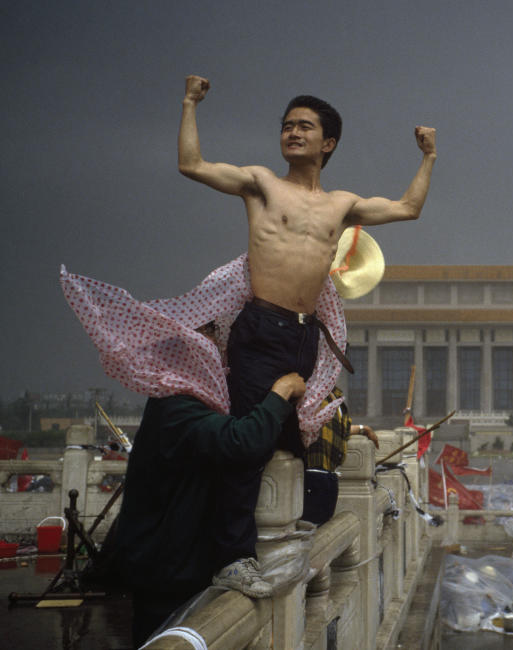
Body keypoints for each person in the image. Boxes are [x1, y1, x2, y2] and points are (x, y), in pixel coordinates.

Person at [178, 75, 436, 575]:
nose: (293, 133)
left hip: (304, 335)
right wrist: (190, 103)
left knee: (295, 438)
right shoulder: (261, 184)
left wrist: (427, 157)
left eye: (305, 127)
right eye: (287, 126)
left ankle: (281, 533)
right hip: (260, 327)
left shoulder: (342, 205)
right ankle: (233, 557)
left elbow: (408, 208)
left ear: (328, 142)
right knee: (249, 439)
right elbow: (191, 164)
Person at [111, 370, 306, 648]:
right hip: (165, 570)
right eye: (208, 334)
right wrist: (281, 392)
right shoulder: (174, 405)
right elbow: (243, 441)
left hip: (179, 564)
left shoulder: (190, 403)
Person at [302, 386, 379, 526]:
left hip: (330, 473)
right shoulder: (310, 391)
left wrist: (363, 429)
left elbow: (340, 429)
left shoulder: (335, 397)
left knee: (324, 525)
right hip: (312, 471)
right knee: (311, 528)